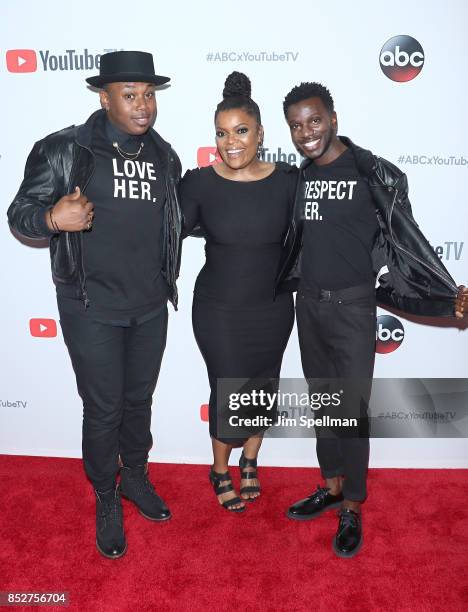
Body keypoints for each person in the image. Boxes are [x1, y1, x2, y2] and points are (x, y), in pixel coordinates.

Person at [278, 82, 468, 557]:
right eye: (297, 126)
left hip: (354, 308)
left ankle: (352, 507)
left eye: (314, 121)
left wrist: (447, 295)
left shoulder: (371, 173)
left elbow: (408, 243)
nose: (307, 133)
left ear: (334, 118)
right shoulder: (299, 178)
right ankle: (332, 486)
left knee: (352, 412)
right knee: (324, 405)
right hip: (310, 307)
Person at [7, 51, 182, 559]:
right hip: (91, 305)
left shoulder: (162, 154)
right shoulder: (64, 149)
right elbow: (20, 213)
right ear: (103, 98)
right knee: (103, 409)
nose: (142, 105)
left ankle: (136, 478)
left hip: (150, 305)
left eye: (148, 95)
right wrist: (51, 219)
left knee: (138, 401)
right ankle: (106, 494)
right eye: (129, 95)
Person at [180, 72, 296, 512]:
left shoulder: (288, 182)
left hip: (272, 309)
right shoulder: (199, 183)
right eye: (222, 133)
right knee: (229, 389)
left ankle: (250, 460)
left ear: (260, 133)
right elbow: (163, 229)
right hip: (219, 310)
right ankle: (219, 469)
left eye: (241, 131)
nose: (231, 142)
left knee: (263, 388)